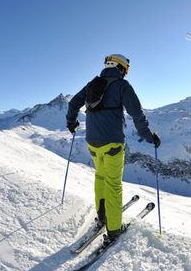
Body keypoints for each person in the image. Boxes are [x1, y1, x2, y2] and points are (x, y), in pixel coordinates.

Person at [65, 54, 160, 243]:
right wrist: (149, 136)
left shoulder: (92, 84)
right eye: (126, 70)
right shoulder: (122, 86)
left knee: (100, 177)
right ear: (121, 68)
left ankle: (102, 217)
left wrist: (71, 122)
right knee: (113, 185)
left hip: (92, 143)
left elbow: (73, 103)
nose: (126, 73)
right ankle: (114, 229)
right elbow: (137, 114)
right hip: (113, 144)